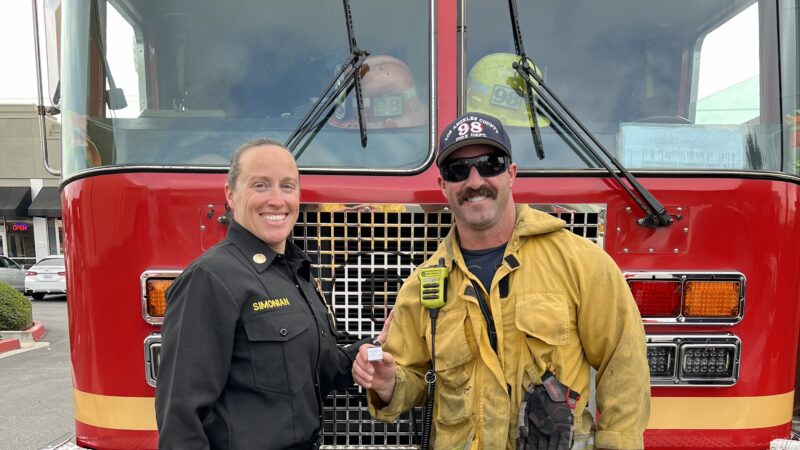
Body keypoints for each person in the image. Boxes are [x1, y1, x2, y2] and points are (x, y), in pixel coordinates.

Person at [352, 112, 650, 450]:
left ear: (511, 174)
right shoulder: (424, 285)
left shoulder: (579, 262)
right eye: (458, 170)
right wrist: (388, 384)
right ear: (444, 187)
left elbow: (622, 361)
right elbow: (415, 377)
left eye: (489, 164)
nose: (475, 180)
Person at [155, 138, 387, 449]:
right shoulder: (209, 278)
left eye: (287, 186)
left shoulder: (296, 274)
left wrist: (380, 343)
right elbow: (180, 421)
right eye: (261, 186)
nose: (277, 200)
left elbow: (326, 368)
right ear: (231, 195)